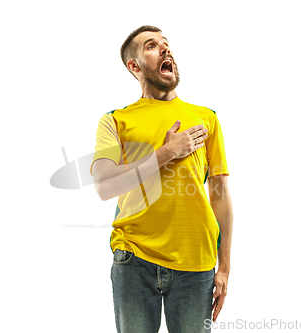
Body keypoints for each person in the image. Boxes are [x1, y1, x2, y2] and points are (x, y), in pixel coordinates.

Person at [90, 25, 233, 333]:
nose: (165, 49)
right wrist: (166, 152)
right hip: (134, 259)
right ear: (134, 65)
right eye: (152, 46)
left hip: (196, 262)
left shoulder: (205, 118)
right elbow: (103, 185)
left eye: (166, 45)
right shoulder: (116, 120)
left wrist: (225, 267)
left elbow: (220, 195)